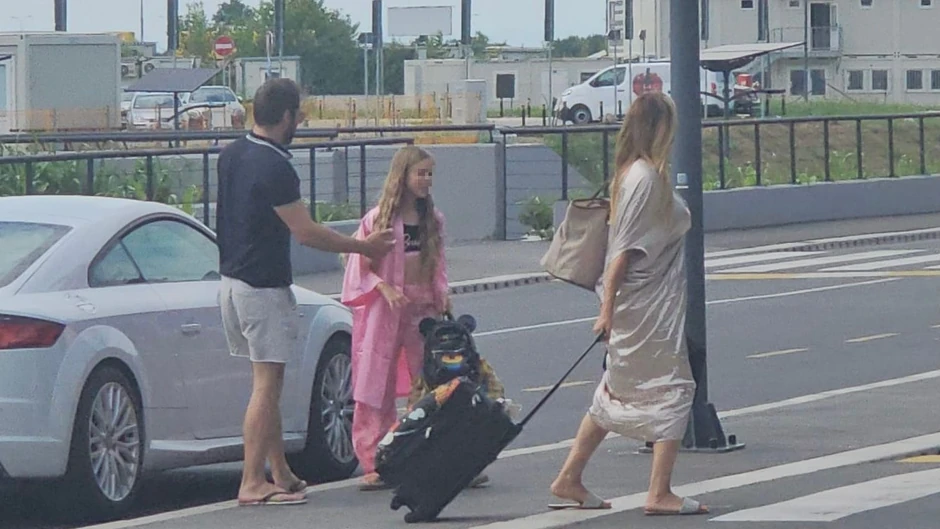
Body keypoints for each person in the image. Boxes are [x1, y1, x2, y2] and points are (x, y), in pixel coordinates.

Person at [216, 78, 395, 507]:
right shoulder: (276, 166)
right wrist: (363, 246)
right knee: (266, 384)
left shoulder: (233, 153)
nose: (302, 119)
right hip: (262, 286)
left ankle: (279, 472)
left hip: (230, 281)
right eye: (299, 113)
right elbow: (306, 231)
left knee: (268, 382)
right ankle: (251, 481)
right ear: (285, 117)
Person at [548, 92, 709, 516]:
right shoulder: (646, 179)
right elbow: (623, 253)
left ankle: (570, 478)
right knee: (675, 389)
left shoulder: (633, 174)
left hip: (639, 303)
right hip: (645, 308)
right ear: (661, 128)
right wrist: (607, 312)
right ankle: (659, 493)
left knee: (618, 391)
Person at [340, 145, 453, 491]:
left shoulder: (433, 220)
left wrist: (442, 294)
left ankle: (433, 453)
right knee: (376, 385)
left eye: (430, 173)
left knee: (431, 382)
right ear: (403, 176)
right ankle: (375, 459)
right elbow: (357, 265)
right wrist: (384, 289)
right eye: (420, 173)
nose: (426, 180)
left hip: (423, 310)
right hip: (386, 312)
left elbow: (438, 264)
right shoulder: (378, 221)